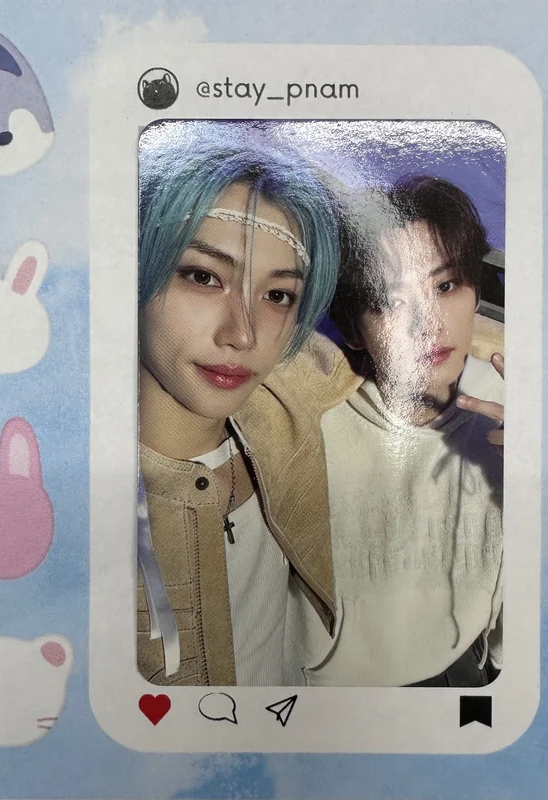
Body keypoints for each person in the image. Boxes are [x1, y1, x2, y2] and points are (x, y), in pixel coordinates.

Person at [135, 124, 357, 686]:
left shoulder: (286, 396)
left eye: (278, 295)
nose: (244, 335)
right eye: (203, 276)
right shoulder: (79, 508)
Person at [304, 175, 505, 688]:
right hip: (329, 699)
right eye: (391, 299)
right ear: (354, 329)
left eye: (445, 286)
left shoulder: (511, 410)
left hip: (468, 676)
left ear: (474, 293)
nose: (428, 322)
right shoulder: (309, 424)